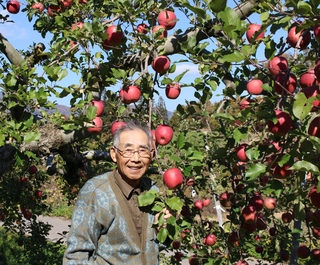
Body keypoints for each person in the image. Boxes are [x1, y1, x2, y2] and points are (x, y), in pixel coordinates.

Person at [63, 121, 168, 265]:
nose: (136, 159)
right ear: (114, 154)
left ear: (152, 154)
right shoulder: (96, 191)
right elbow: (76, 256)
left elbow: (153, 248)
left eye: (143, 150)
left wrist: (161, 231)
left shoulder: (153, 190)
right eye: (128, 150)